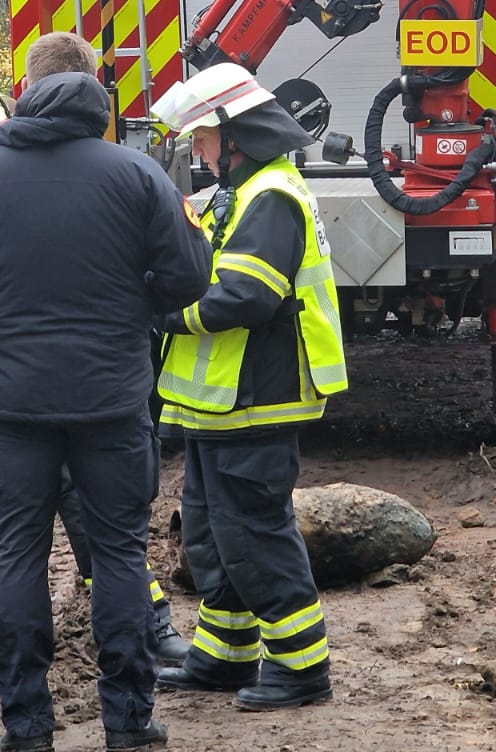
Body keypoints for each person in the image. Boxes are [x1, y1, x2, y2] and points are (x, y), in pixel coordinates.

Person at [0, 63, 212, 752]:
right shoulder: (137, 176)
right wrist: (130, 298)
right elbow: (189, 278)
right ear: (98, 116)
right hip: (110, 401)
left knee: (17, 553)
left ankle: (26, 724)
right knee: (118, 556)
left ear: (22, 111)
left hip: (13, 404)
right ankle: (129, 721)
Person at [148, 62, 348, 710]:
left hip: (260, 396)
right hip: (221, 403)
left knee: (253, 532)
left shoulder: (272, 198)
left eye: (204, 141)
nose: (199, 155)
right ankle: (225, 653)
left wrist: (165, 314)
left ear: (237, 136)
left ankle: (300, 666)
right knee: (211, 531)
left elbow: (245, 295)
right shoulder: (245, 191)